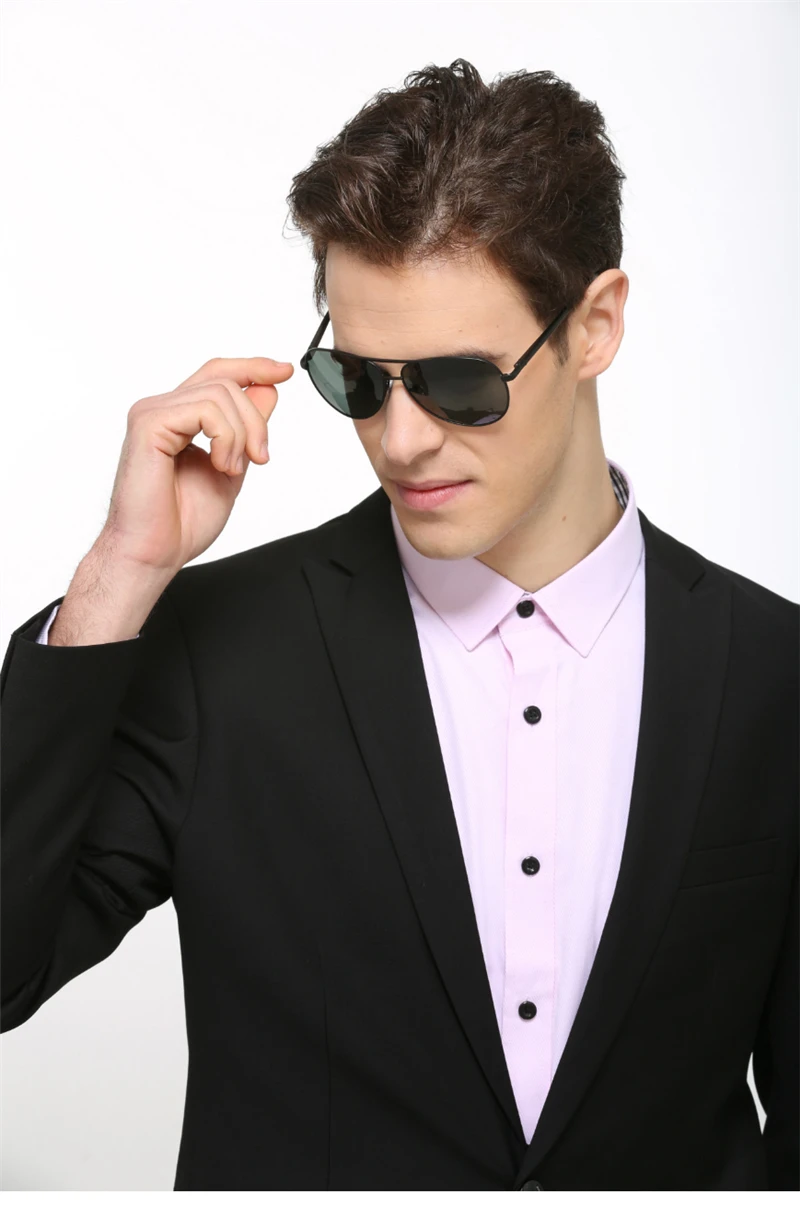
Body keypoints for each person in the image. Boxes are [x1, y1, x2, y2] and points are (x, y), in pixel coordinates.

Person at [1, 59, 797, 1192]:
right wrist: (117, 576)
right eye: (360, 383)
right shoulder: (218, 657)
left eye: (458, 381)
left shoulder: (772, 674)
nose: (402, 439)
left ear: (595, 325)